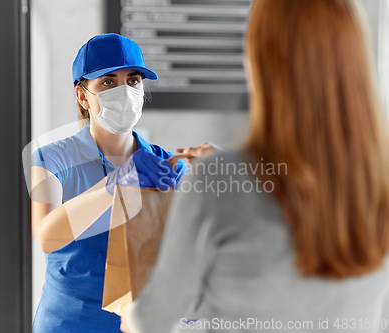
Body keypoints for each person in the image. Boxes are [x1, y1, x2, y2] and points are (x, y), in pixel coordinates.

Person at [121, 0, 389, 332]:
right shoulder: (379, 184)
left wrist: (225, 177)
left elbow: (151, 322)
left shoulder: (213, 182)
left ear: (260, 62)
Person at [30, 33, 187, 333]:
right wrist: (118, 184)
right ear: (82, 96)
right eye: (108, 82)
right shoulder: (52, 159)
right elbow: (47, 236)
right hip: (69, 325)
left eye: (133, 80)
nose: (125, 91)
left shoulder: (166, 166)